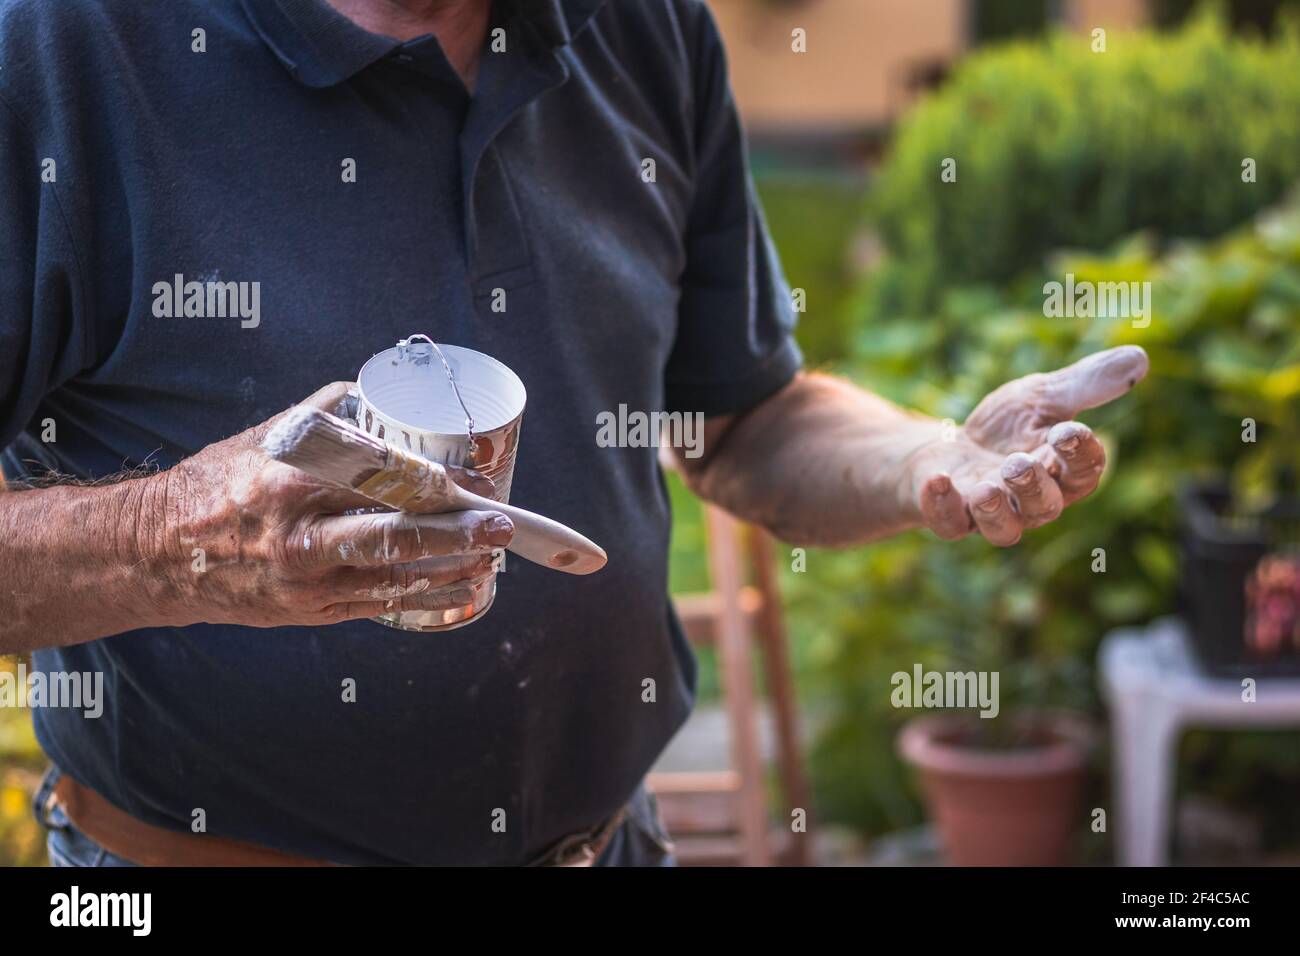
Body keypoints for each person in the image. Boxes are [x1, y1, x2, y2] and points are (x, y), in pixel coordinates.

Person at [0, 0, 1147, 866]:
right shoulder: (58, 49)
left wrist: (930, 457)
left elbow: (744, 414)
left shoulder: (641, 29)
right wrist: (173, 537)